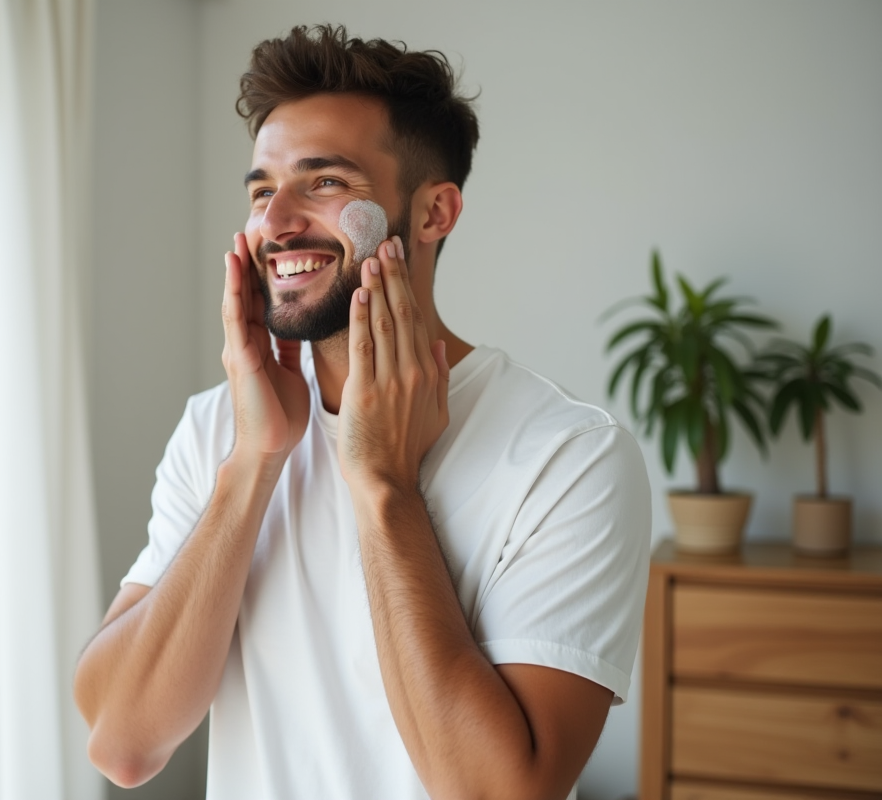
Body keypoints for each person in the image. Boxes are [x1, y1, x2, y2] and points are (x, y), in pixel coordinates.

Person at [74, 24, 650, 800]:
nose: (276, 222)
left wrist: (386, 488)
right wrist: (253, 465)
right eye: (261, 191)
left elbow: (497, 793)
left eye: (324, 183)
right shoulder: (219, 430)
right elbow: (121, 743)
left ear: (435, 212)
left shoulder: (568, 458)